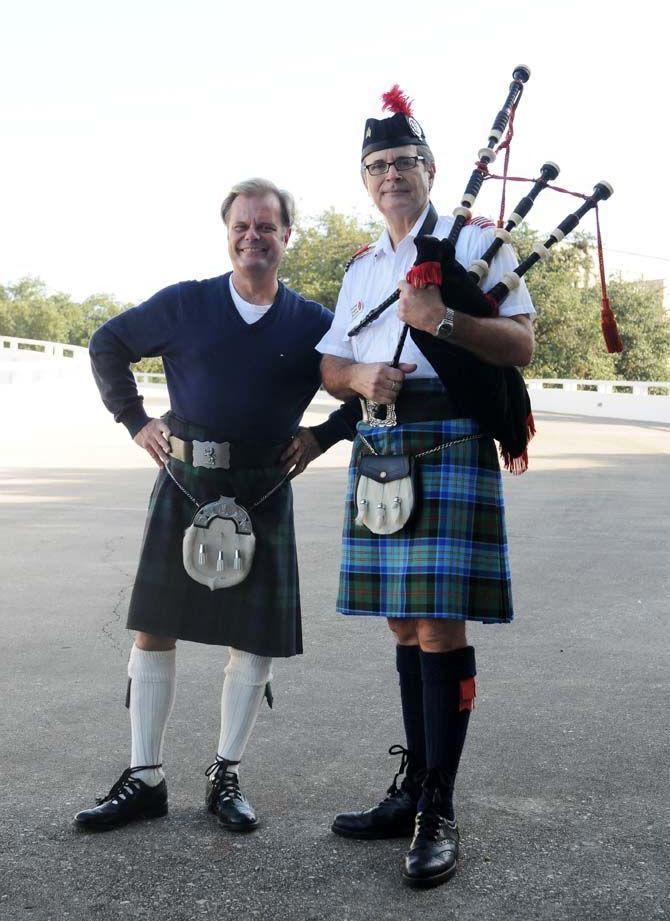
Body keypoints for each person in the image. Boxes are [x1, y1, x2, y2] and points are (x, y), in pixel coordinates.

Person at [75, 177, 357, 832]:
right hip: (185, 482)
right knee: (155, 626)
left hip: (262, 487)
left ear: (287, 235)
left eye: (266, 226)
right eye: (242, 225)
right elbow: (107, 344)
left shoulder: (314, 323)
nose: (253, 236)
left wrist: (322, 436)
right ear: (227, 232)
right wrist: (135, 419)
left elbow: (361, 384)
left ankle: (225, 773)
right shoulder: (186, 304)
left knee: (252, 639)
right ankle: (144, 777)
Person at [316, 92, 535, 887]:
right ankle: (412, 787)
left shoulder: (475, 242)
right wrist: (358, 375)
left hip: (447, 439)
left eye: (404, 162)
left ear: (429, 169)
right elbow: (329, 365)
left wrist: (444, 322)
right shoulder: (361, 268)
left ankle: (438, 807)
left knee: (440, 627)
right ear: (365, 181)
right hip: (380, 441)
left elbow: (520, 343)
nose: (391, 176)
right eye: (377, 166)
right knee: (404, 625)